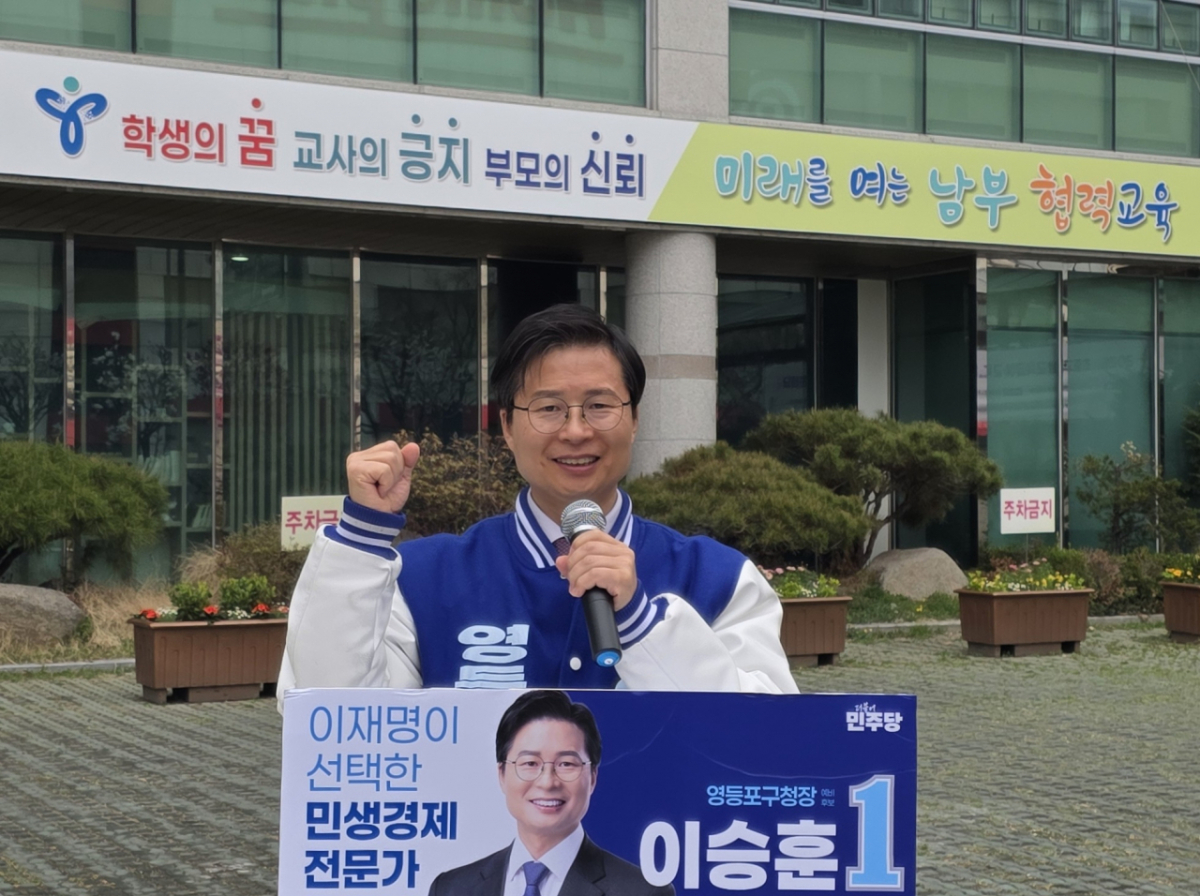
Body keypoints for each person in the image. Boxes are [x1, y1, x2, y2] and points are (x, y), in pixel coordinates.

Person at [279, 304, 797, 697]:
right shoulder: (421, 580)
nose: (575, 431)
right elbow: (333, 718)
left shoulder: (718, 578)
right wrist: (360, 540)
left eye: (599, 406)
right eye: (549, 408)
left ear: (635, 419)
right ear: (507, 425)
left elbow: (766, 741)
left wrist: (642, 622)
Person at [428, 690, 673, 896]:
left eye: (566, 764)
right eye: (530, 763)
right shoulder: (450, 888)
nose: (547, 782)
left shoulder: (642, 891)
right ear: (502, 774)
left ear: (593, 777)